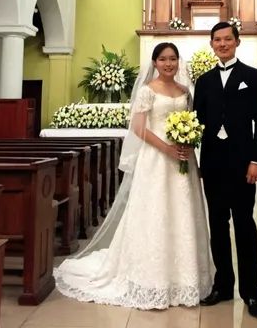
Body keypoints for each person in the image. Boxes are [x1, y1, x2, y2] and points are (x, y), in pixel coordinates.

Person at [54, 43, 212, 310]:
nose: (169, 63)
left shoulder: (186, 91)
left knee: (183, 212)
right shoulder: (146, 91)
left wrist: (187, 141)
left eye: (173, 59)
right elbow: (139, 128)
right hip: (156, 160)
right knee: (155, 212)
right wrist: (168, 149)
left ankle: (184, 276)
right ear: (155, 62)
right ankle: (151, 278)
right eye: (163, 59)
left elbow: (192, 121)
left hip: (183, 158)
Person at [193, 21, 257, 319]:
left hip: (242, 163)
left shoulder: (252, 77)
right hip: (212, 163)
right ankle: (223, 285)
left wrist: (256, 160)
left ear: (237, 42)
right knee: (218, 226)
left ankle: (252, 292)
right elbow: (196, 120)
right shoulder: (204, 81)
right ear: (211, 44)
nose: (222, 44)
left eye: (227, 39)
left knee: (245, 226)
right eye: (217, 40)